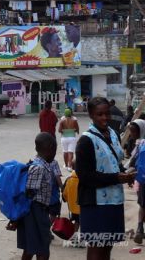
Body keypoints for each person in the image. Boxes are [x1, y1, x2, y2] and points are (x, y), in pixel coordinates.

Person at [75, 97, 136, 259]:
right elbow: (85, 176)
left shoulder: (113, 134)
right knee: (96, 248)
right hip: (95, 203)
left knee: (107, 247)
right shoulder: (86, 140)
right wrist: (117, 178)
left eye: (107, 113)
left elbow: (115, 162)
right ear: (91, 115)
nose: (104, 118)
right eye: (99, 114)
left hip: (114, 200)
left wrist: (126, 174)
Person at [7, 133, 57, 260]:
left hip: (33, 211)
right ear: (51, 147)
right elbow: (28, 194)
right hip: (35, 211)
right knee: (43, 250)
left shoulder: (35, 163)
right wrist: (16, 218)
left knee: (30, 249)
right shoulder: (39, 168)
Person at [127, 119, 145, 244]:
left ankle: (140, 229)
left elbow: (134, 161)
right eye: (131, 132)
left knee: (143, 204)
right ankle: (139, 229)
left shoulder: (142, 143)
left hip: (142, 178)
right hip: (141, 179)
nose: (132, 134)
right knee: (143, 204)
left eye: (134, 132)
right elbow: (133, 160)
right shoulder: (140, 143)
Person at [62, 160, 81, 246]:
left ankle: (75, 238)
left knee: (76, 222)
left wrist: (68, 200)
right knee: (82, 223)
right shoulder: (84, 179)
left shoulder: (69, 179)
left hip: (73, 207)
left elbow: (64, 194)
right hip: (83, 206)